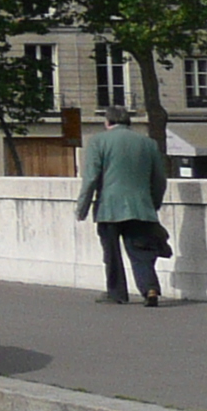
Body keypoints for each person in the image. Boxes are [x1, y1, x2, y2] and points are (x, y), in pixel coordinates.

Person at [77, 105, 171, 306]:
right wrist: (152, 204)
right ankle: (150, 288)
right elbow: (159, 180)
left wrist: (82, 208)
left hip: (108, 208)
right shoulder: (148, 143)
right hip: (141, 207)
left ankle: (116, 292)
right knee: (141, 252)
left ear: (107, 122)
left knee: (111, 253)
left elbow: (91, 178)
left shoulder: (98, 141)